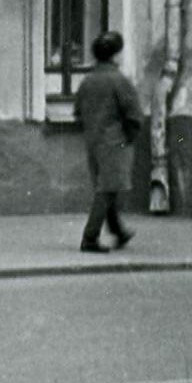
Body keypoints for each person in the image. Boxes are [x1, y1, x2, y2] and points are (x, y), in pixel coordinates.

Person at [73, 30, 142, 254]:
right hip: (115, 142)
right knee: (108, 189)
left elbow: (77, 113)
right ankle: (90, 237)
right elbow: (134, 114)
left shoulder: (87, 81)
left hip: (93, 141)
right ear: (115, 55)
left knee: (106, 186)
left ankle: (118, 231)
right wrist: (130, 136)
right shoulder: (119, 80)